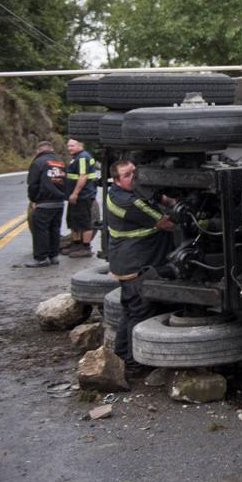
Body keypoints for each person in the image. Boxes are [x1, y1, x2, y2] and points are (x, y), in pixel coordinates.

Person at [106, 159, 175, 371]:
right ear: (117, 181)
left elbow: (153, 197)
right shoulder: (130, 202)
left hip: (126, 262)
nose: (133, 178)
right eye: (127, 175)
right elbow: (166, 223)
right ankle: (134, 363)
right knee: (140, 312)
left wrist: (166, 198)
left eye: (135, 172)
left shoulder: (117, 193)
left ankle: (121, 357)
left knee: (130, 312)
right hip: (135, 264)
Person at [25, 141, 66, 267]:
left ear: (38, 151)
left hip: (44, 202)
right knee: (54, 229)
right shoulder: (60, 163)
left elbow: (32, 184)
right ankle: (54, 256)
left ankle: (41, 258)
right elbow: (66, 181)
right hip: (59, 202)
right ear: (51, 149)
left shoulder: (38, 163)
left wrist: (33, 199)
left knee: (40, 230)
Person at [64, 138, 100, 258]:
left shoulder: (83, 157)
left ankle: (86, 248)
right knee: (74, 222)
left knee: (84, 223)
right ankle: (76, 245)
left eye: (72, 146)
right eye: (68, 146)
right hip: (76, 197)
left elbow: (83, 177)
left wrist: (75, 193)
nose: (69, 148)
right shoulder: (76, 157)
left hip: (82, 196)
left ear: (80, 145)